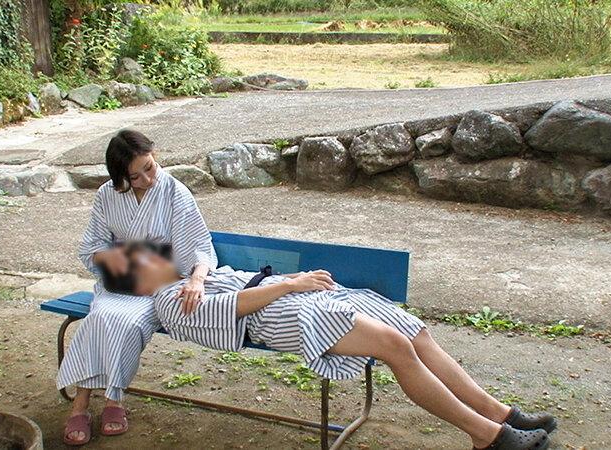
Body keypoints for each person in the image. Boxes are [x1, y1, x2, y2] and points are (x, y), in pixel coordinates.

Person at [115, 245, 557, 450]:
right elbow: (235, 307)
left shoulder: (194, 277)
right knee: (394, 345)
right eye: (145, 262)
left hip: (301, 297)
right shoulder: (166, 301)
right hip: (282, 318)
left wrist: (294, 280)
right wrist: (292, 285)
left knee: (414, 332)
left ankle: (499, 413)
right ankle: (487, 437)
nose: (158, 259)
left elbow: (234, 277)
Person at [58, 129, 218, 446]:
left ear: (154, 156)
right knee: (99, 318)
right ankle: (82, 403)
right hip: (122, 277)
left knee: (128, 323)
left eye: (149, 167)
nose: (147, 179)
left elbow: (200, 246)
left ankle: (112, 399)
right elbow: (92, 246)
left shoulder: (175, 192)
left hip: (161, 283)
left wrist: (197, 279)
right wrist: (123, 262)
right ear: (120, 177)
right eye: (135, 176)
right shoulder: (107, 195)